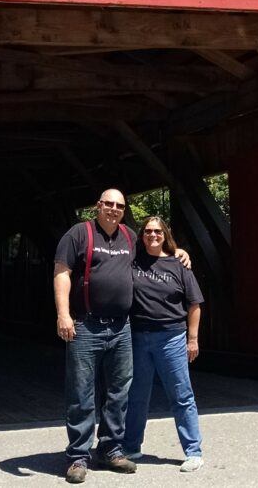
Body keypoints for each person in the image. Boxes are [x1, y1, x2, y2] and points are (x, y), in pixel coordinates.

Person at [54, 190, 190, 484]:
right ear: (98, 206)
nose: (114, 209)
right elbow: (62, 271)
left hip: (121, 328)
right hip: (85, 325)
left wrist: (179, 252)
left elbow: (156, 250)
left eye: (120, 205)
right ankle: (78, 455)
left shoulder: (129, 236)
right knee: (82, 393)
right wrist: (63, 314)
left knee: (118, 392)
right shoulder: (79, 234)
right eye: (109, 204)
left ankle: (111, 449)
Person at [123, 216, 205, 473]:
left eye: (158, 231)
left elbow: (194, 304)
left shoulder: (179, 264)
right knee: (136, 395)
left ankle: (194, 452)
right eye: (147, 231)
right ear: (142, 235)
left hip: (172, 338)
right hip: (139, 337)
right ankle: (131, 446)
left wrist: (193, 339)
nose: (153, 235)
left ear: (165, 234)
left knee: (181, 395)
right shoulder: (132, 261)